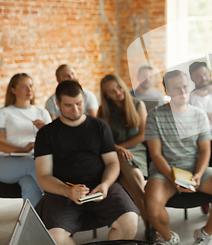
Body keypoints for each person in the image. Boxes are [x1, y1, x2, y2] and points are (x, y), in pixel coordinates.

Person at [35, 80, 139, 245]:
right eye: (68, 105)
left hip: (100, 186)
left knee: (130, 221)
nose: (75, 110)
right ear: (57, 103)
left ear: (84, 99)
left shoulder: (99, 126)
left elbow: (112, 163)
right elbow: (43, 176)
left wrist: (105, 184)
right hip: (62, 192)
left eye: (79, 103)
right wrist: (68, 191)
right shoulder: (46, 134)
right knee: (55, 238)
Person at [144, 70, 212, 245]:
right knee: (151, 205)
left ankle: (204, 234)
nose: (182, 91)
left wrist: (199, 175)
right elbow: (155, 154)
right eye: (176, 88)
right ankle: (169, 238)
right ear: (167, 91)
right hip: (165, 171)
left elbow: (204, 151)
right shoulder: (154, 116)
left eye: (185, 86)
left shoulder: (199, 114)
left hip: (195, 168)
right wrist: (174, 178)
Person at [98, 74, 148, 228]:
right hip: (113, 153)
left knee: (132, 180)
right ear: (106, 95)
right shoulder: (103, 111)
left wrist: (122, 148)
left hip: (137, 151)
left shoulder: (138, 104)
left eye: (119, 87)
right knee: (129, 172)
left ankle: (150, 222)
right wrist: (117, 148)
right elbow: (100, 141)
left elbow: (142, 135)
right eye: (112, 91)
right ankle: (151, 218)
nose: (118, 92)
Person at [0, 73, 51, 206]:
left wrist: (45, 130)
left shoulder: (42, 113)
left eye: (31, 86)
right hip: (5, 162)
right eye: (24, 87)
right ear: (13, 90)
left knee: (30, 185)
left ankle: (36, 224)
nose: (29, 90)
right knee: (34, 166)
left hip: (34, 159)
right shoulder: (3, 113)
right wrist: (22, 149)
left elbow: (54, 142)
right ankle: (61, 200)